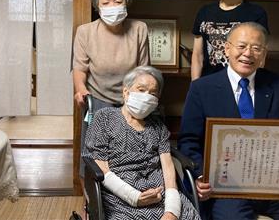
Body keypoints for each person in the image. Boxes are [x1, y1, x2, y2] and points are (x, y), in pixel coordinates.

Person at [178, 22, 279, 220]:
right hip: (228, 188)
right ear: (227, 49)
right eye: (241, 46)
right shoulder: (202, 88)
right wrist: (200, 177)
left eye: (256, 48)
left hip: (277, 185)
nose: (248, 53)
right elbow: (188, 141)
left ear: (264, 55)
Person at [82, 66, 200, 220]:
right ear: (126, 92)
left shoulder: (158, 126)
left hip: (160, 194)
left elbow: (169, 170)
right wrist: (134, 197)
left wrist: (172, 211)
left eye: (153, 93)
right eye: (141, 90)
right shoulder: (105, 118)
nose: (147, 97)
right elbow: (101, 166)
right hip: (120, 196)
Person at [73, 0, 150, 177]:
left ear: (126, 3)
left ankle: (124, 201)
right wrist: (81, 90)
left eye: (118, 1)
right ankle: (91, 203)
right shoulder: (85, 32)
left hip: (131, 99)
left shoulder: (139, 29)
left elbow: (144, 70)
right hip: (97, 99)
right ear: (97, 6)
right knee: (94, 154)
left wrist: (141, 98)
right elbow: (79, 68)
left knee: (129, 153)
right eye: (105, 2)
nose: (112, 6)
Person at [191, 0, 269, 80]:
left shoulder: (256, 13)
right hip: (210, 81)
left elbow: (260, 56)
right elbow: (197, 56)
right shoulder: (204, 12)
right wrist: (195, 87)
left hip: (243, 83)